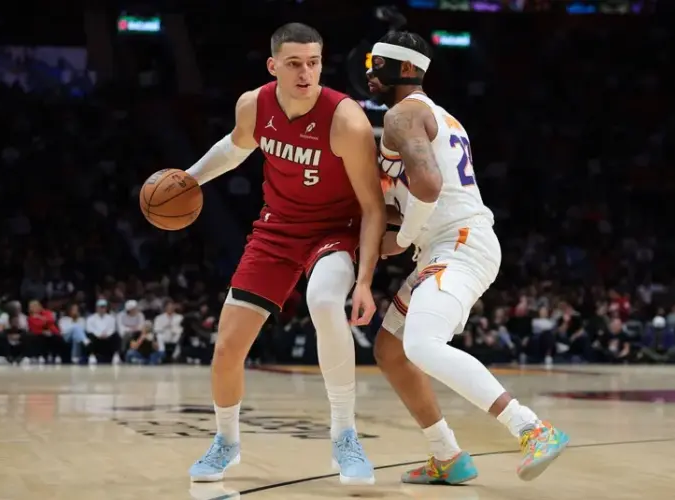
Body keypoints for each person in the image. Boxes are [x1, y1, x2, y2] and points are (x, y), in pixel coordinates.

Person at [185, 23, 386, 485]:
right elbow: (235, 149)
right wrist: (190, 178)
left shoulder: (347, 119)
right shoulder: (254, 104)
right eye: (294, 63)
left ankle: (344, 437)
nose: (305, 73)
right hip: (276, 230)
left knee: (321, 301)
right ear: (273, 66)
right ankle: (226, 443)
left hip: (335, 231)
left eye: (313, 63)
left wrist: (365, 282)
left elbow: (373, 206)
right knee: (227, 346)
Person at [368, 31, 569, 485]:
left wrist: (402, 239)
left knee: (420, 344)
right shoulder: (435, 117)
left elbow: (429, 187)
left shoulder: (404, 113)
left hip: (458, 241)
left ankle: (533, 428)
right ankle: (447, 455)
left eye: (374, 63)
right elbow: (413, 196)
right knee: (391, 349)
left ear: (403, 69)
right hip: (443, 244)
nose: (367, 72)